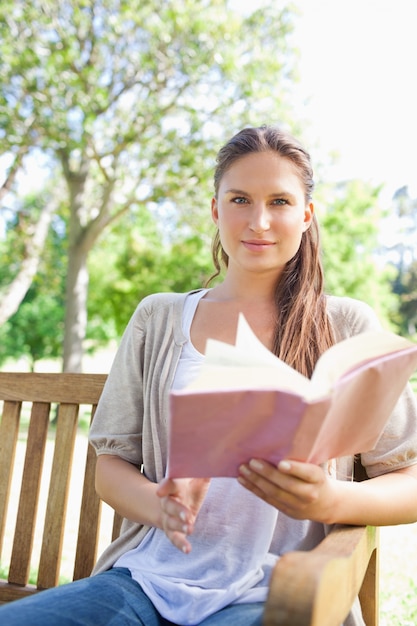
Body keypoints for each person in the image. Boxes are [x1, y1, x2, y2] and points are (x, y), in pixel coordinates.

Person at [1, 125, 417, 626]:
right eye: (240, 199)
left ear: (306, 216)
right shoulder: (158, 318)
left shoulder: (345, 325)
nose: (259, 221)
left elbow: (407, 479)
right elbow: (111, 468)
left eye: (280, 201)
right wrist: (160, 506)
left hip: (275, 594)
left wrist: (331, 499)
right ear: (216, 210)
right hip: (146, 583)